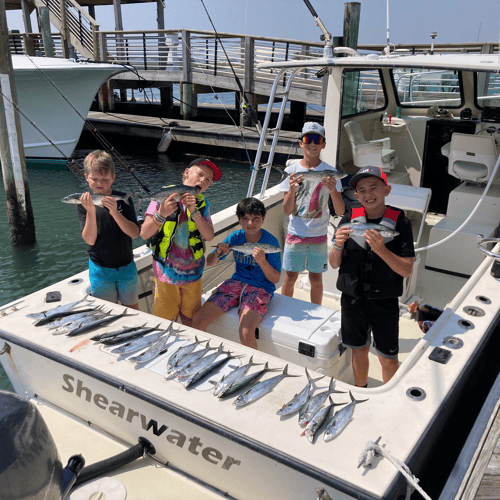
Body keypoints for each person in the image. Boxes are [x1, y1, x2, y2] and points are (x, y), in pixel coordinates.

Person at [329, 166, 415, 387]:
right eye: (362, 190)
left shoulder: (401, 223)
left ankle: (390, 398)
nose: (368, 194)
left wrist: (382, 250)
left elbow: (406, 270)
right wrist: (337, 245)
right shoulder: (349, 218)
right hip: (352, 298)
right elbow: (334, 262)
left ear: (386, 189)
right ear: (356, 195)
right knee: (358, 350)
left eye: (374, 188)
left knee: (387, 357)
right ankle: (361, 390)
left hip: (383, 300)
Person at [139, 158, 221, 326]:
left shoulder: (203, 204)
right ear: (186, 172)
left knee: (191, 320)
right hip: (165, 276)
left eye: (207, 180)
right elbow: (144, 232)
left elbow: (209, 235)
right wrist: (160, 213)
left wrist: (195, 212)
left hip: (194, 275)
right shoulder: (160, 196)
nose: (202, 181)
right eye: (199, 174)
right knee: (164, 323)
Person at [191, 197, 281, 349]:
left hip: (261, 287)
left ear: (263, 219)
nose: (250, 223)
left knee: (246, 332)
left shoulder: (271, 243)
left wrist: (263, 262)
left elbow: (275, 279)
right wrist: (219, 252)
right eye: (245, 219)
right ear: (239, 220)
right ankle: (199, 357)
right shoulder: (235, 237)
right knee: (197, 320)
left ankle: (254, 367)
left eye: (255, 219)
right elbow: (210, 262)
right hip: (235, 283)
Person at [279, 121, 345, 305]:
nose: (313, 144)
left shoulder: (331, 172)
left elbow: (340, 211)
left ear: (323, 144)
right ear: (301, 143)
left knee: (316, 279)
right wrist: (291, 190)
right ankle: (285, 308)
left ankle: (316, 309)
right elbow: (286, 210)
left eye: (317, 140)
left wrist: (333, 191)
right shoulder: (291, 171)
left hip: (319, 234)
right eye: (308, 139)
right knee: (290, 276)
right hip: (295, 233)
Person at [78, 150, 140, 309]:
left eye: (105, 179)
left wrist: (114, 211)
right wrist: (90, 211)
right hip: (100, 268)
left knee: (131, 309)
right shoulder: (83, 203)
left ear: (113, 177)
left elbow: (134, 233)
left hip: (126, 266)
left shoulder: (123, 198)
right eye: (94, 178)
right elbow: (89, 240)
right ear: (86, 177)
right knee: (106, 311)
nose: (100, 183)